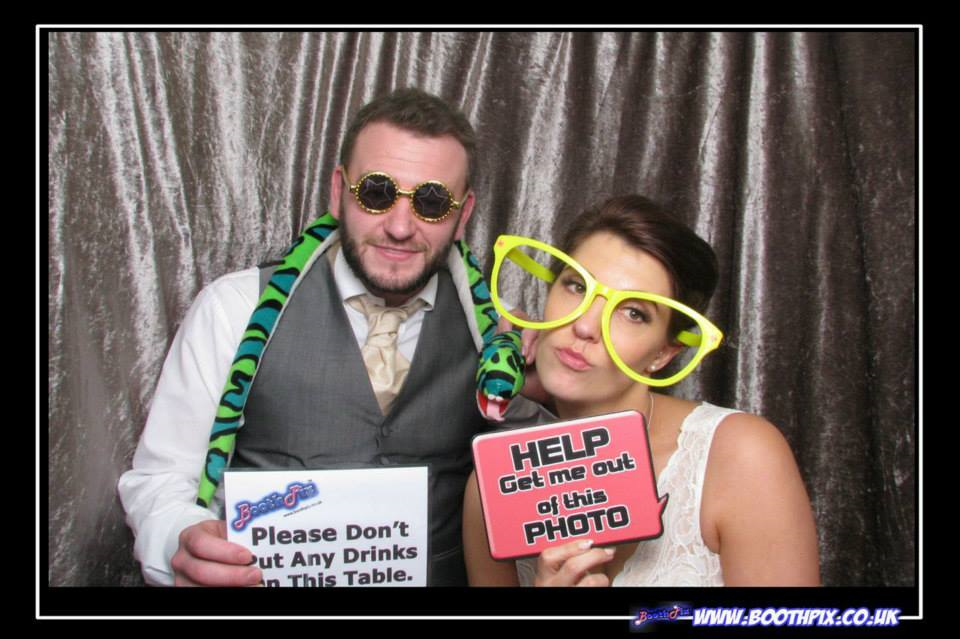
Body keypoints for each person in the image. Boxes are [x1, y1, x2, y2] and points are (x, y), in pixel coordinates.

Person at [118, 87, 529, 587]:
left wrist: (538, 369)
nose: (400, 227)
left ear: (462, 216)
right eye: (377, 192)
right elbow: (160, 479)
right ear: (338, 192)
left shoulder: (494, 336)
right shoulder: (236, 308)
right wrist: (180, 538)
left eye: (431, 202)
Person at [462, 195, 821, 586]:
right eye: (576, 286)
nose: (585, 326)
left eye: (633, 313)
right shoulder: (491, 487)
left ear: (663, 353)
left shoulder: (740, 456)